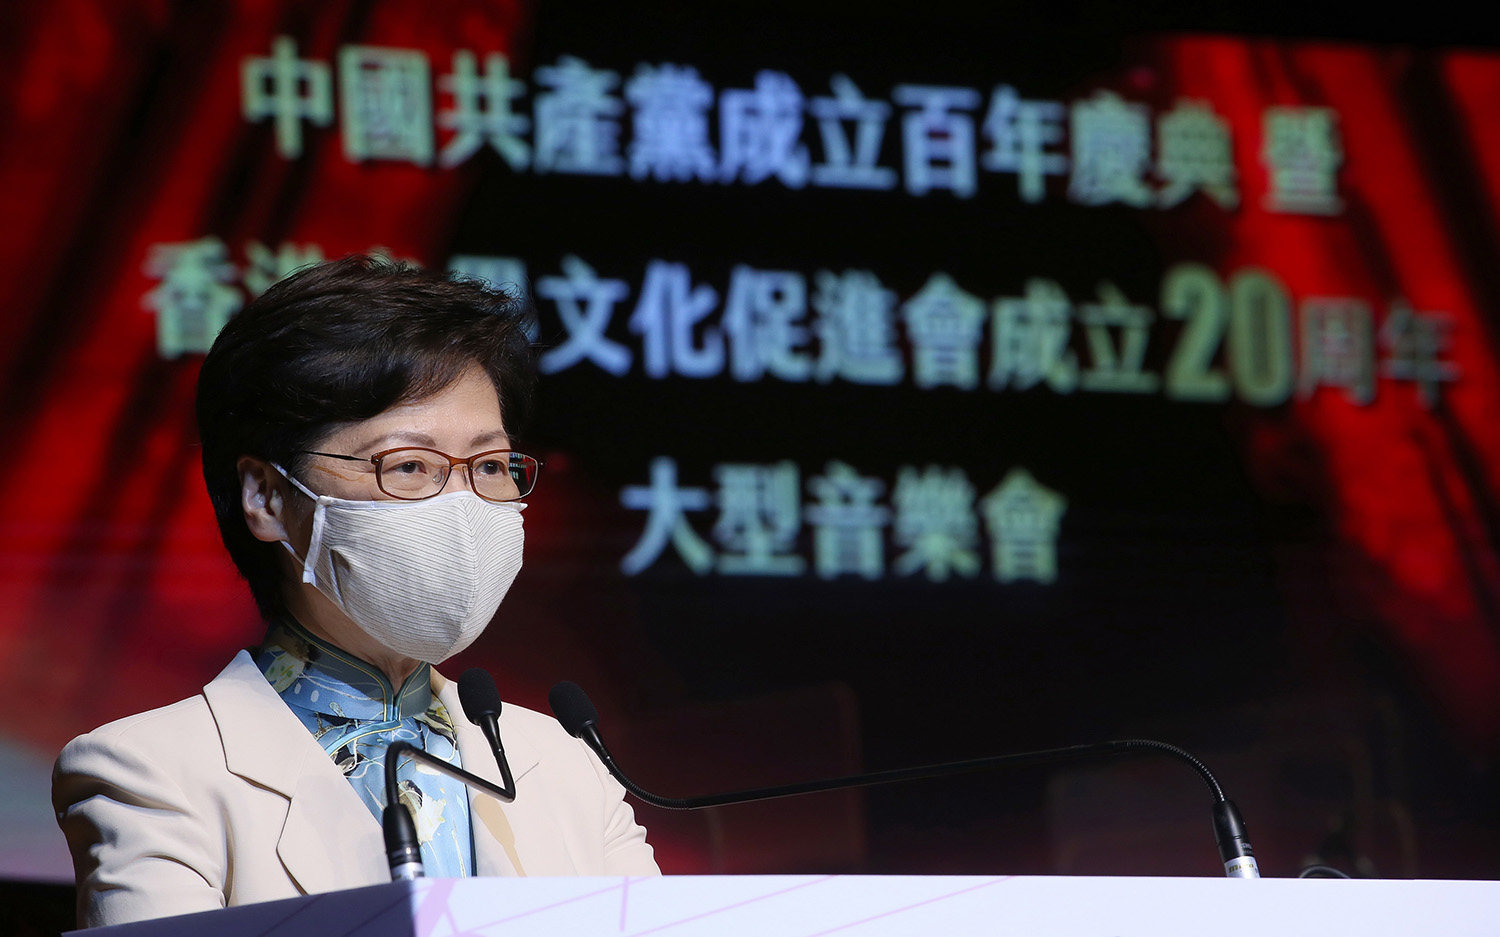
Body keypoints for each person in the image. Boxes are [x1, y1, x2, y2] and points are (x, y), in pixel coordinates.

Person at [52, 255, 658, 928]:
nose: (462, 505)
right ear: (268, 496)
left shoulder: (567, 764)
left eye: (489, 465)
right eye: (409, 464)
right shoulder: (151, 771)